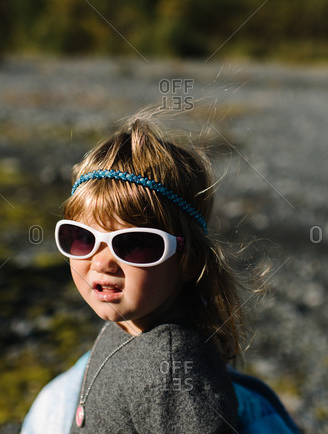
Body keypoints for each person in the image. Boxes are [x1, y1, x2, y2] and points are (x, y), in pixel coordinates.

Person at [22, 114, 301, 433]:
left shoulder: (174, 379)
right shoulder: (135, 322)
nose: (102, 263)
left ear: (188, 260)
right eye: (83, 239)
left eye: (134, 244)